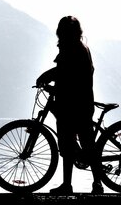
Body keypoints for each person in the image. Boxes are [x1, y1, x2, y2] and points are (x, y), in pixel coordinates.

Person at [36, 16, 103, 194]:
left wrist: (45, 77)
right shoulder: (81, 47)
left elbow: (64, 71)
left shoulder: (72, 48)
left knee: (74, 144)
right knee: (76, 144)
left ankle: (74, 184)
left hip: (74, 104)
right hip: (79, 102)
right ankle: (93, 184)